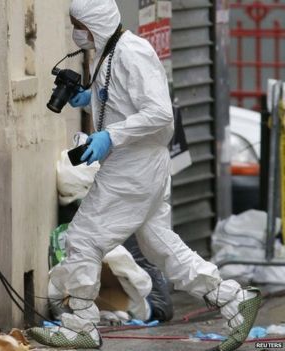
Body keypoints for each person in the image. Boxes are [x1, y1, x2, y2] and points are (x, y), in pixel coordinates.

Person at [28, 1, 261, 350]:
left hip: (134, 168)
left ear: (96, 22)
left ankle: (81, 326)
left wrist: (111, 136)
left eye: (80, 24)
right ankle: (233, 299)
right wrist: (91, 98)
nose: (77, 32)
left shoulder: (132, 52)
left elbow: (160, 114)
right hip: (136, 166)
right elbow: (125, 98)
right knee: (160, 247)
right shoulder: (111, 51)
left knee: (83, 239)